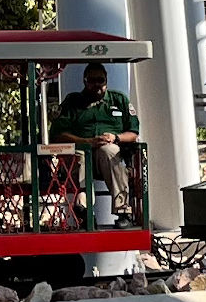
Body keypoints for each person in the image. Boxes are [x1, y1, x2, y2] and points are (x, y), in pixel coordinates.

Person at [51, 62, 141, 227]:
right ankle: (84, 209)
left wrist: (116, 137)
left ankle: (123, 211)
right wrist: (87, 142)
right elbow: (57, 134)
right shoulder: (73, 101)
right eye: (92, 80)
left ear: (106, 80)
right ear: (84, 81)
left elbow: (134, 133)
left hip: (108, 151)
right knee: (79, 156)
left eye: (100, 80)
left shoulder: (119, 99)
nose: (97, 84)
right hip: (81, 150)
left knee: (110, 151)